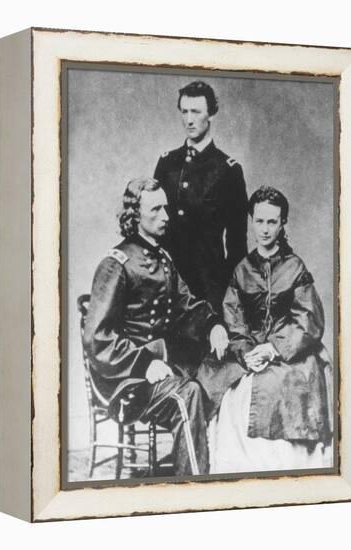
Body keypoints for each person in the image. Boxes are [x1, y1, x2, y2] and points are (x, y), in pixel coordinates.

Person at [83, 177, 229, 476]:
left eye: (166, 208)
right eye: (156, 209)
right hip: (124, 380)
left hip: (159, 369)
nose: (166, 216)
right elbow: (98, 339)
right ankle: (195, 488)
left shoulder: (163, 260)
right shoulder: (115, 264)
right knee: (186, 395)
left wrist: (214, 324)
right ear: (135, 215)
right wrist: (143, 364)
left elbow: (188, 306)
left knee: (219, 377)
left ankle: (195, 466)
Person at [198, 186, 333, 472]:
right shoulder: (242, 269)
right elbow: (233, 318)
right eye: (259, 221)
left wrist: (274, 348)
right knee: (232, 390)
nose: (265, 229)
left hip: (291, 349)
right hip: (248, 351)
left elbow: (309, 319)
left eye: (272, 221)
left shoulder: (295, 267)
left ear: (283, 223)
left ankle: (284, 468)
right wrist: (247, 352)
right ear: (251, 220)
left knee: (286, 385)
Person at [154, 80, 248, 311]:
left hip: (208, 287)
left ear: (211, 115)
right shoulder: (167, 163)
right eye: (184, 111)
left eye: (196, 112)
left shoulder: (228, 170)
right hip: (166, 282)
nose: (189, 119)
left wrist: (224, 297)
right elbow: (152, 221)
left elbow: (237, 245)